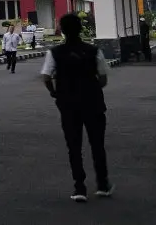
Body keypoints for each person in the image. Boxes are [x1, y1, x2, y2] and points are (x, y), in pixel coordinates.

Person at [41, 13, 112, 203]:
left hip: (68, 105)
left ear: (62, 30)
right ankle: (103, 184)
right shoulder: (94, 51)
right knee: (97, 145)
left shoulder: (54, 53)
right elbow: (103, 78)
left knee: (74, 146)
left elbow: (47, 77)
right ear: (81, 28)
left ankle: (79, 187)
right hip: (94, 103)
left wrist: (55, 92)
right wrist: (92, 88)